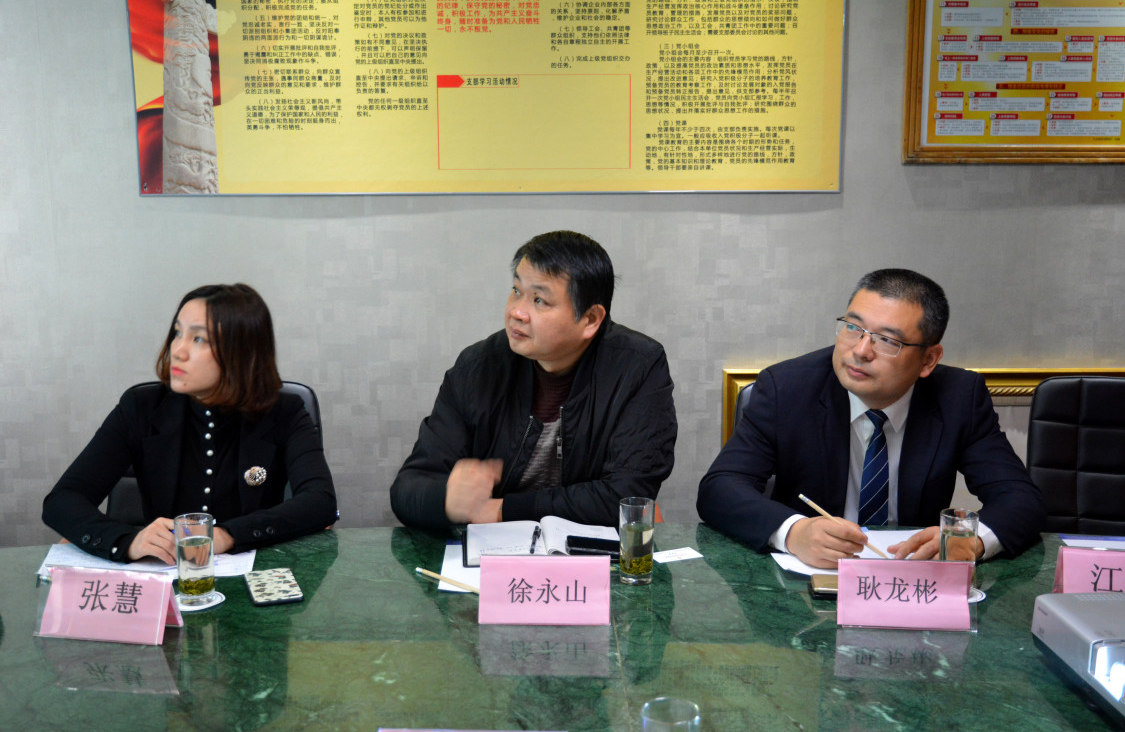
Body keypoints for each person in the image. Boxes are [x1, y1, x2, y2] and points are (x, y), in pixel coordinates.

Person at [697, 269, 1045, 569]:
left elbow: (1020, 498)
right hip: (807, 584)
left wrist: (971, 541)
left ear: (928, 360)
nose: (861, 350)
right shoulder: (787, 388)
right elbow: (720, 488)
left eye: (887, 340)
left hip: (909, 581)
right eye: (853, 327)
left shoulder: (958, 397)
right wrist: (793, 532)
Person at [390, 230, 677, 530]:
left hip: (590, 555)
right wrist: (446, 498)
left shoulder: (638, 368)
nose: (517, 312)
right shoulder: (478, 368)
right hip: (490, 553)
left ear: (590, 319)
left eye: (539, 300)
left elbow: (626, 497)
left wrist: (502, 510)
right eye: (516, 291)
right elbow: (408, 489)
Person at [42, 283, 338, 564]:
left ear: (241, 352)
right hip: (166, 578)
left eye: (198, 339)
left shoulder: (284, 412)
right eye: (177, 333)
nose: (177, 351)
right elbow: (62, 500)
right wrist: (127, 541)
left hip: (255, 579)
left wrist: (228, 535)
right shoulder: (142, 407)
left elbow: (320, 501)